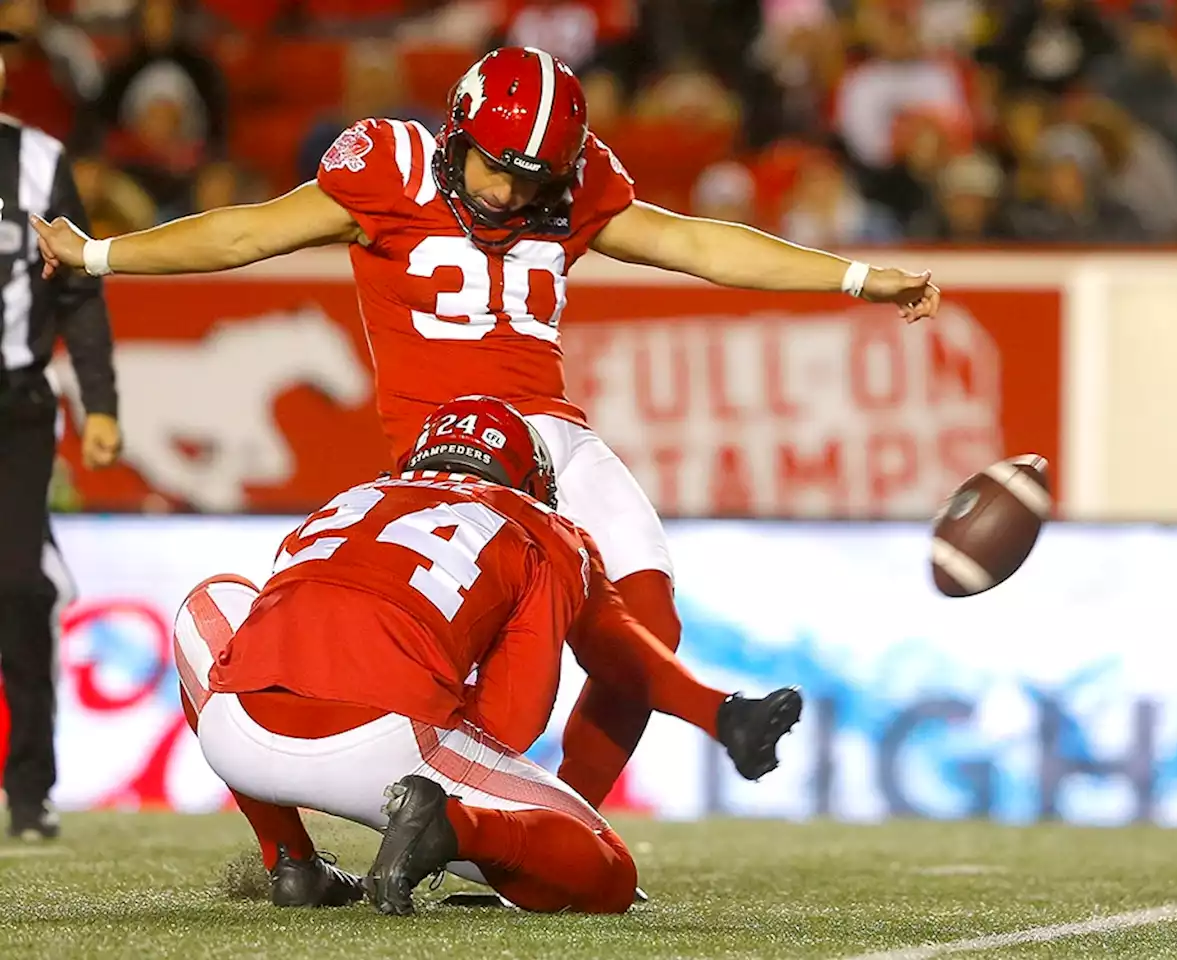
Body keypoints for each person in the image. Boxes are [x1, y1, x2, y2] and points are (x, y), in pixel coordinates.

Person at [31, 46, 934, 814]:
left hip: (550, 432)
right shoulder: (384, 169)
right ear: (457, 135)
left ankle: (571, 822)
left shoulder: (568, 183)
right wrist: (99, 252)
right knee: (524, 656)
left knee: (650, 617)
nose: (510, 193)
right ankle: (503, 808)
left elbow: (699, 245)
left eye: (534, 176)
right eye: (498, 167)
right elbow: (241, 239)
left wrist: (854, 278)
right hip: (453, 458)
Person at [173, 395, 801, 914]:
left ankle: (290, 859)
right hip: (384, 745)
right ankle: (449, 829)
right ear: (531, 479)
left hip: (239, 732)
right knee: (608, 872)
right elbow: (513, 720)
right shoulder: (544, 526)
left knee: (211, 602)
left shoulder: (351, 497)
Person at [0, 30, 121, 842]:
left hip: (16, 404)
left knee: (19, 589)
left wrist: (101, 402)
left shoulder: (40, 159)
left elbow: (75, 286)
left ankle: (29, 790)